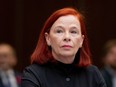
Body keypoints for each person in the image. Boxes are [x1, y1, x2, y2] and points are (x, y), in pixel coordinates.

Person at [22, 7, 106, 87]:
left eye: (73, 31)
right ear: (48, 38)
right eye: (59, 31)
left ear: (81, 40)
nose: (67, 37)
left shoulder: (93, 74)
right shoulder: (33, 74)